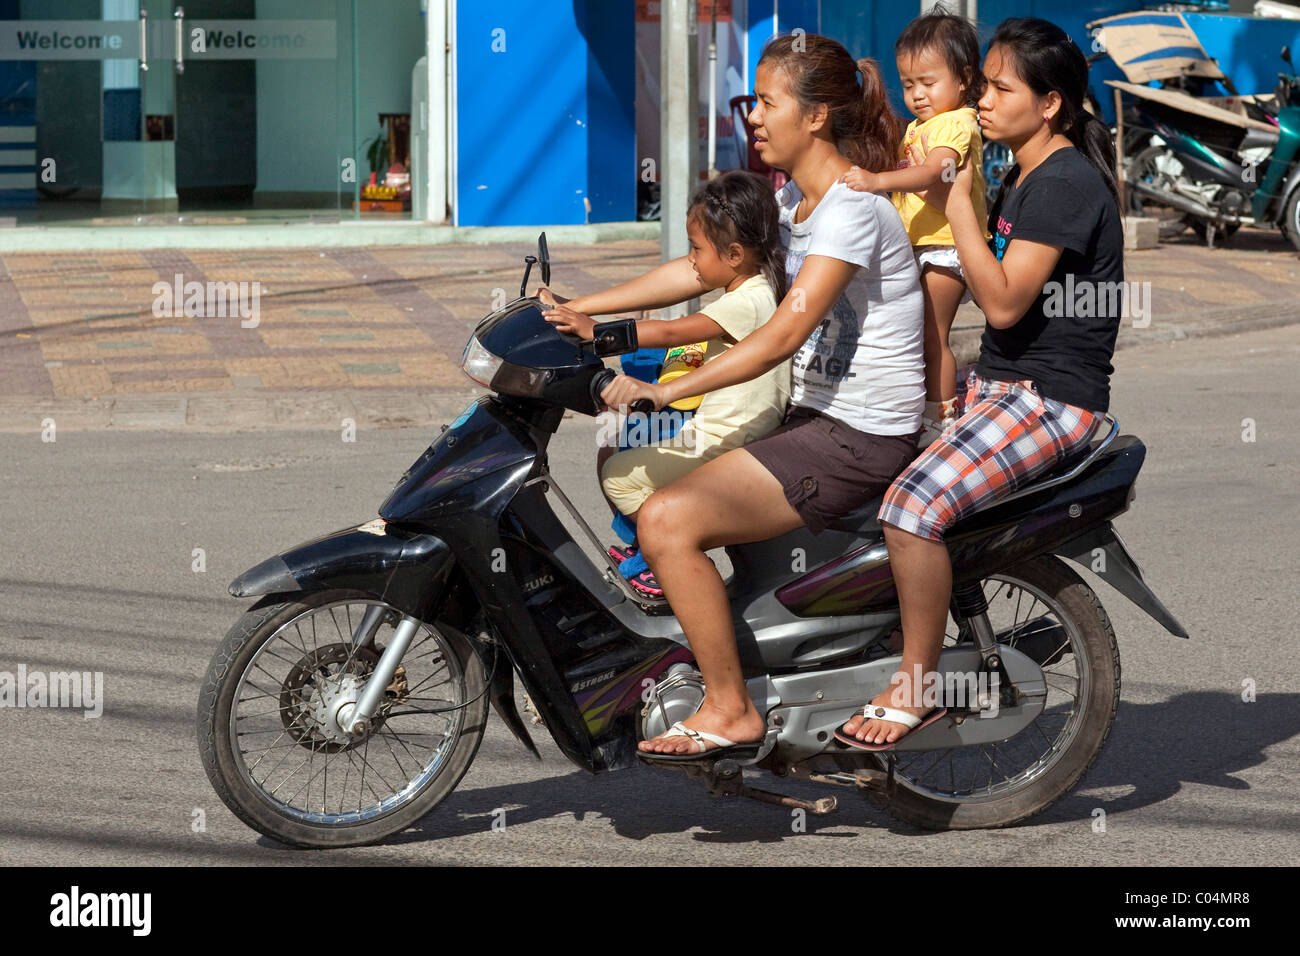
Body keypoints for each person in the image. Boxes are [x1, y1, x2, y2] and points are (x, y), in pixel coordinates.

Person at [599, 33, 926, 758]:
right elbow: (698, 272)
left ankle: (728, 707)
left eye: (767, 101)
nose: (753, 115)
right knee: (654, 472)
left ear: (813, 117)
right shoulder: (792, 201)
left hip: (857, 435)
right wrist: (586, 314)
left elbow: (781, 334)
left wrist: (669, 392)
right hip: (811, 418)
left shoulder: (850, 211)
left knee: (666, 521)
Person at [838, 16, 1126, 750]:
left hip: (1051, 403)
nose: (985, 102)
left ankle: (918, 684)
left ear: (1050, 102)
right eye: (986, 86)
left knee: (910, 507)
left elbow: (1000, 300)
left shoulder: (1061, 182)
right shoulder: (1025, 172)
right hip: (1002, 388)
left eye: (1001, 88)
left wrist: (958, 199)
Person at [540, 171, 792, 596]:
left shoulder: (752, 300)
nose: (691, 259)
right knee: (618, 447)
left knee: (621, 476)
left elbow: (675, 331)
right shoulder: (751, 282)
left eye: (696, 249)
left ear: (733, 253)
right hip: (716, 421)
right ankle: (653, 553)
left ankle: (668, 562)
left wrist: (596, 331)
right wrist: (577, 308)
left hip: (727, 436)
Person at [840, 5, 989, 443]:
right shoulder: (920, 127)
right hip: (919, 246)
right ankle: (921, 407)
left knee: (932, 333)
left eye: (928, 82)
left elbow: (934, 174)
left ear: (963, 79)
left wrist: (876, 181)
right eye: (908, 85)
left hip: (947, 246)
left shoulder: (958, 123)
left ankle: (941, 418)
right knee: (913, 332)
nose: (918, 94)